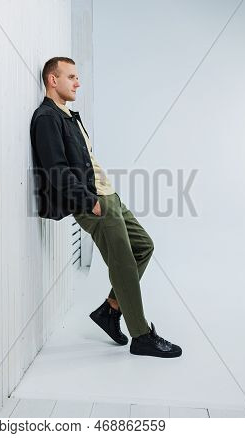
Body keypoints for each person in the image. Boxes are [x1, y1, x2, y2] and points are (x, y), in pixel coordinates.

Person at [30, 56, 182, 359]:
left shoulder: (69, 115)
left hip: (109, 197)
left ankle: (110, 310)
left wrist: (106, 197)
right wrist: (91, 203)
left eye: (77, 77)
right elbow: (56, 170)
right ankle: (141, 336)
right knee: (124, 261)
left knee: (144, 247)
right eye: (71, 77)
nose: (77, 83)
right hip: (93, 203)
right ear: (52, 80)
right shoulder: (47, 118)